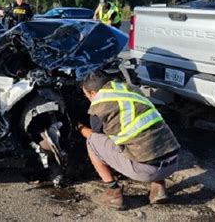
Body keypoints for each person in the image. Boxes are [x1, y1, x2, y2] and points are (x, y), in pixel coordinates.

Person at [77, 71, 180, 210]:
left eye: (86, 95)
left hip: (147, 171)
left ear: (93, 93)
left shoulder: (99, 108)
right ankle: (159, 186)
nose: (87, 98)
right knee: (147, 136)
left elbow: (93, 134)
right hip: (173, 162)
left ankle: (112, 192)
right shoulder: (132, 90)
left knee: (93, 141)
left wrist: (79, 127)